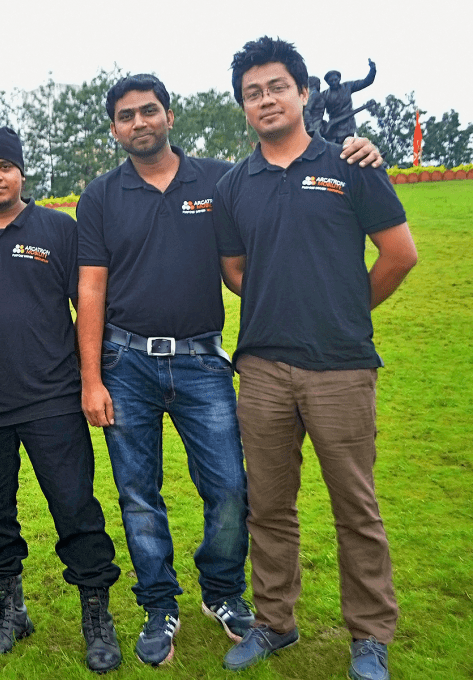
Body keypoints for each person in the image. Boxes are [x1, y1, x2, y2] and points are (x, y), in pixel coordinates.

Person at [75, 74, 382, 667]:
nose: (139, 122)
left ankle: (222, 590)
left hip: (202, 362)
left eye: (149, 111)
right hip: (126, 362)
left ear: (169, 115)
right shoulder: (101, 196)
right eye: (126, 116)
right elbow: (90, 289)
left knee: (233, 490)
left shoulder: (219, 179)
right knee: (139, 494)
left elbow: (253, 248)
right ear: (114, 128)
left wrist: (355, 148)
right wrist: (93, 378)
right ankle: (159, 602)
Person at [217, 36, 416, 680]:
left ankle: (370, 637)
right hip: (264, 371)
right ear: (243, 107)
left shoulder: (352, 163)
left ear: (302, 93)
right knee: (269, 506)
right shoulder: (234, 183)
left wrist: (344, 308)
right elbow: (234, 269)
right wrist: (286, 296)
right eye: (252, 93)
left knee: (354, 507)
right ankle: (275, 623)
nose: (265, 99)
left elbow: (399, 255)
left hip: (341, 367)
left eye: (276, 87)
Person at [0, 127, 123, 673]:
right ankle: (10, 612)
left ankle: (97, 616)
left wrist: (91, 380)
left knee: (75, 508)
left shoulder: (57, 231)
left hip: (51, 398)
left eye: (4, 166)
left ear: (21, 171)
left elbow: (89, 306)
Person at [321, 59, 376, 143]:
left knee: (348, 147)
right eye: (331, 81)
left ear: (339, 78)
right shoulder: (324, 95)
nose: (334, 82)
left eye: (335, 80)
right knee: (331, 150)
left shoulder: (348, 86)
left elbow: (366, 82)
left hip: (348, 125)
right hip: (333, 126)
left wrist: (372, 69)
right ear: (327, 82)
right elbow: (317, 112)